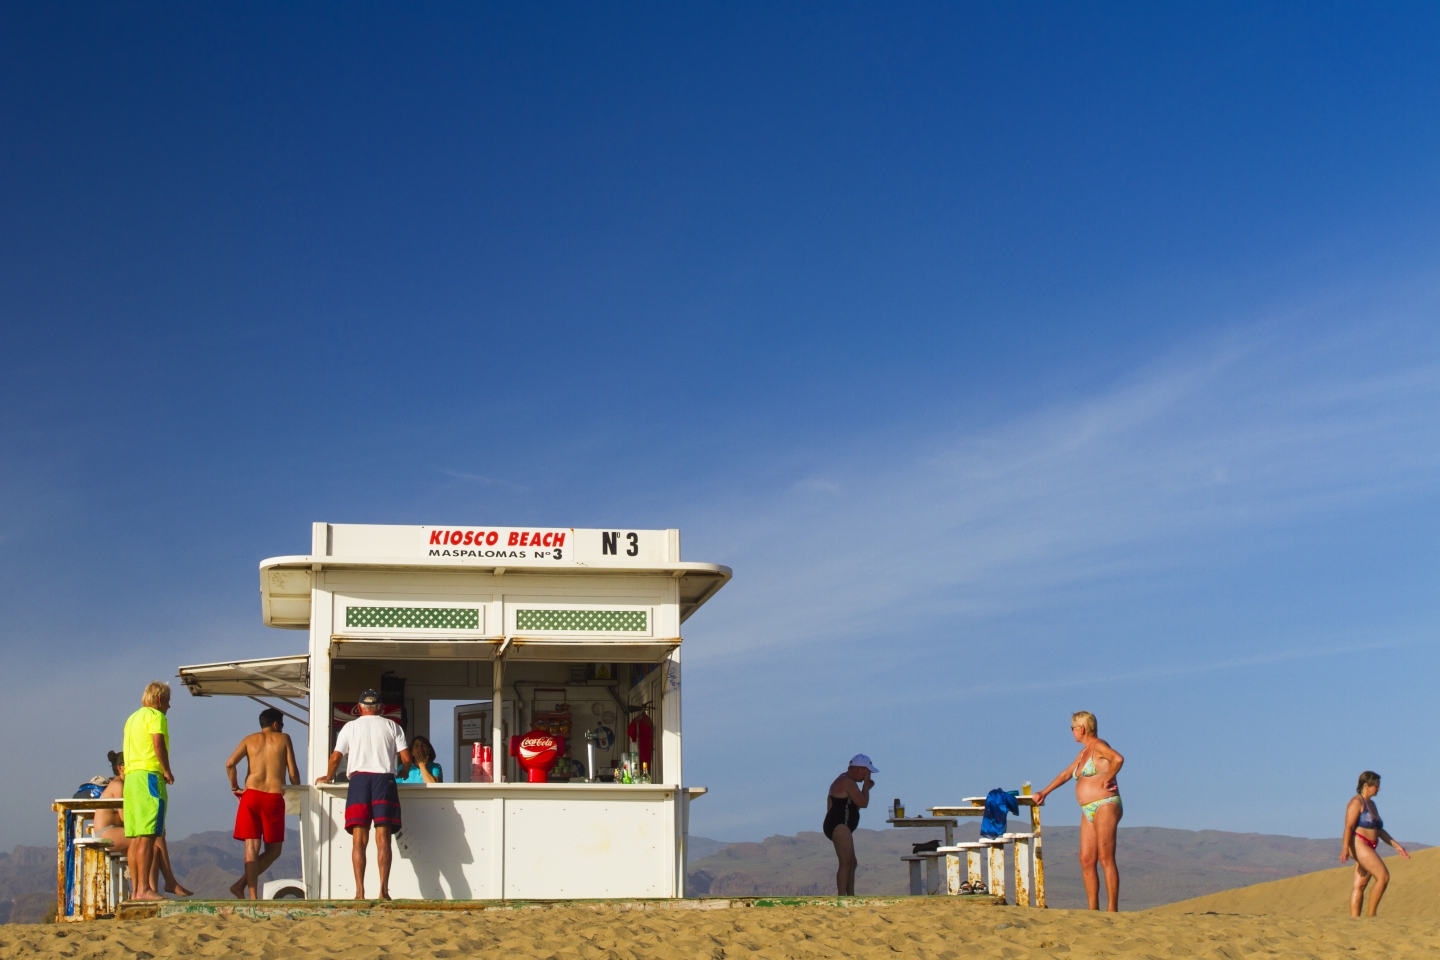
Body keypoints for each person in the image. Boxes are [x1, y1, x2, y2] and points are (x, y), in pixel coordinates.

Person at [316, 690, 413, 899]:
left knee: (359, 840)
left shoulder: (350, 727)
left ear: (360, 708)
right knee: (383, 838)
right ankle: (383, 891)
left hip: (359, 781)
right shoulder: (392, 726)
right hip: (384, 780)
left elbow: (335, 757)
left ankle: (359, 892)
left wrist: (328, 776)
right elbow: (406, 758)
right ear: (381, 708)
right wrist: (404, 772)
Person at [1033, 710, 1124, 912]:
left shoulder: (1100, 746)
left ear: (1081, 728)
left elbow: (1117, 759)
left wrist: (1108, 778)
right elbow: (1066, 774)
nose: (1072, 732)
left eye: (1073, 728)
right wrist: (1045, 792)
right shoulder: (1083, 753)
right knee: (1086, 858)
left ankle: (1112, 909)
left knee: (1105, 857)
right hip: (1088, 809)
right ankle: (1093, 909)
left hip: (1105, 804)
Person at [226, 707, 302, 899]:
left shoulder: (249, 740)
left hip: (250, 795)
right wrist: (299, 795)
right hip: (273, 797)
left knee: (251, 847)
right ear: (276, 724)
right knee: (274, 850)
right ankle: (241, 886)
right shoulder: (284, 738)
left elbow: (230, 764)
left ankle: (250, 894)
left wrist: (235, 787)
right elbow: (292, 772)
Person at [92, 755, 192, 897]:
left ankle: (152, 889)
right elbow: (124, 817)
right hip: (107, 832)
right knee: (150, 841)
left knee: (154, 842)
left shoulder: (126, 785)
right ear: (119, 768)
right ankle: (164, 884)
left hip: (118, 830)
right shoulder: (118, 785)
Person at [122, 681, 175, 900]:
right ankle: (143, 888)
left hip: (132, 778)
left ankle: (136, 890)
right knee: (148, 835)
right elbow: (157, 744)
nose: (169, 707)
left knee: (135, 837)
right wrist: (167, 769)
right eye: (168, 701)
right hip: (149, 777)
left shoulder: (132, 718)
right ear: (160, 699)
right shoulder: (156, 716)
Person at [1341, 770, 1409, 917]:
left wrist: (1396, 846)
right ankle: (1371, 916)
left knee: (1360, 885)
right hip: (1359, 843)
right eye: (1376, 786)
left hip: (1370, 846)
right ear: (1366, 785)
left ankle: (1354, 921)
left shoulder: (1372, 804)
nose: (1379, 788)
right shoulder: (1356, 802)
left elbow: (1379, 830)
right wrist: (1345, 849)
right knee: (1383, 877)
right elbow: (1349, 827)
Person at [823, 754, 876, 896]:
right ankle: (842, 897)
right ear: (859, 769)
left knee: (852, 862)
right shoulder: (847, 781)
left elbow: (851, 806)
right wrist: (865, 786)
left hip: (841, 825)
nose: (868, 775)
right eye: (867, 772)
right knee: (846, 862)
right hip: (839, 825)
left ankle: (850, 896)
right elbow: (863, 803)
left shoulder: (845, 781)